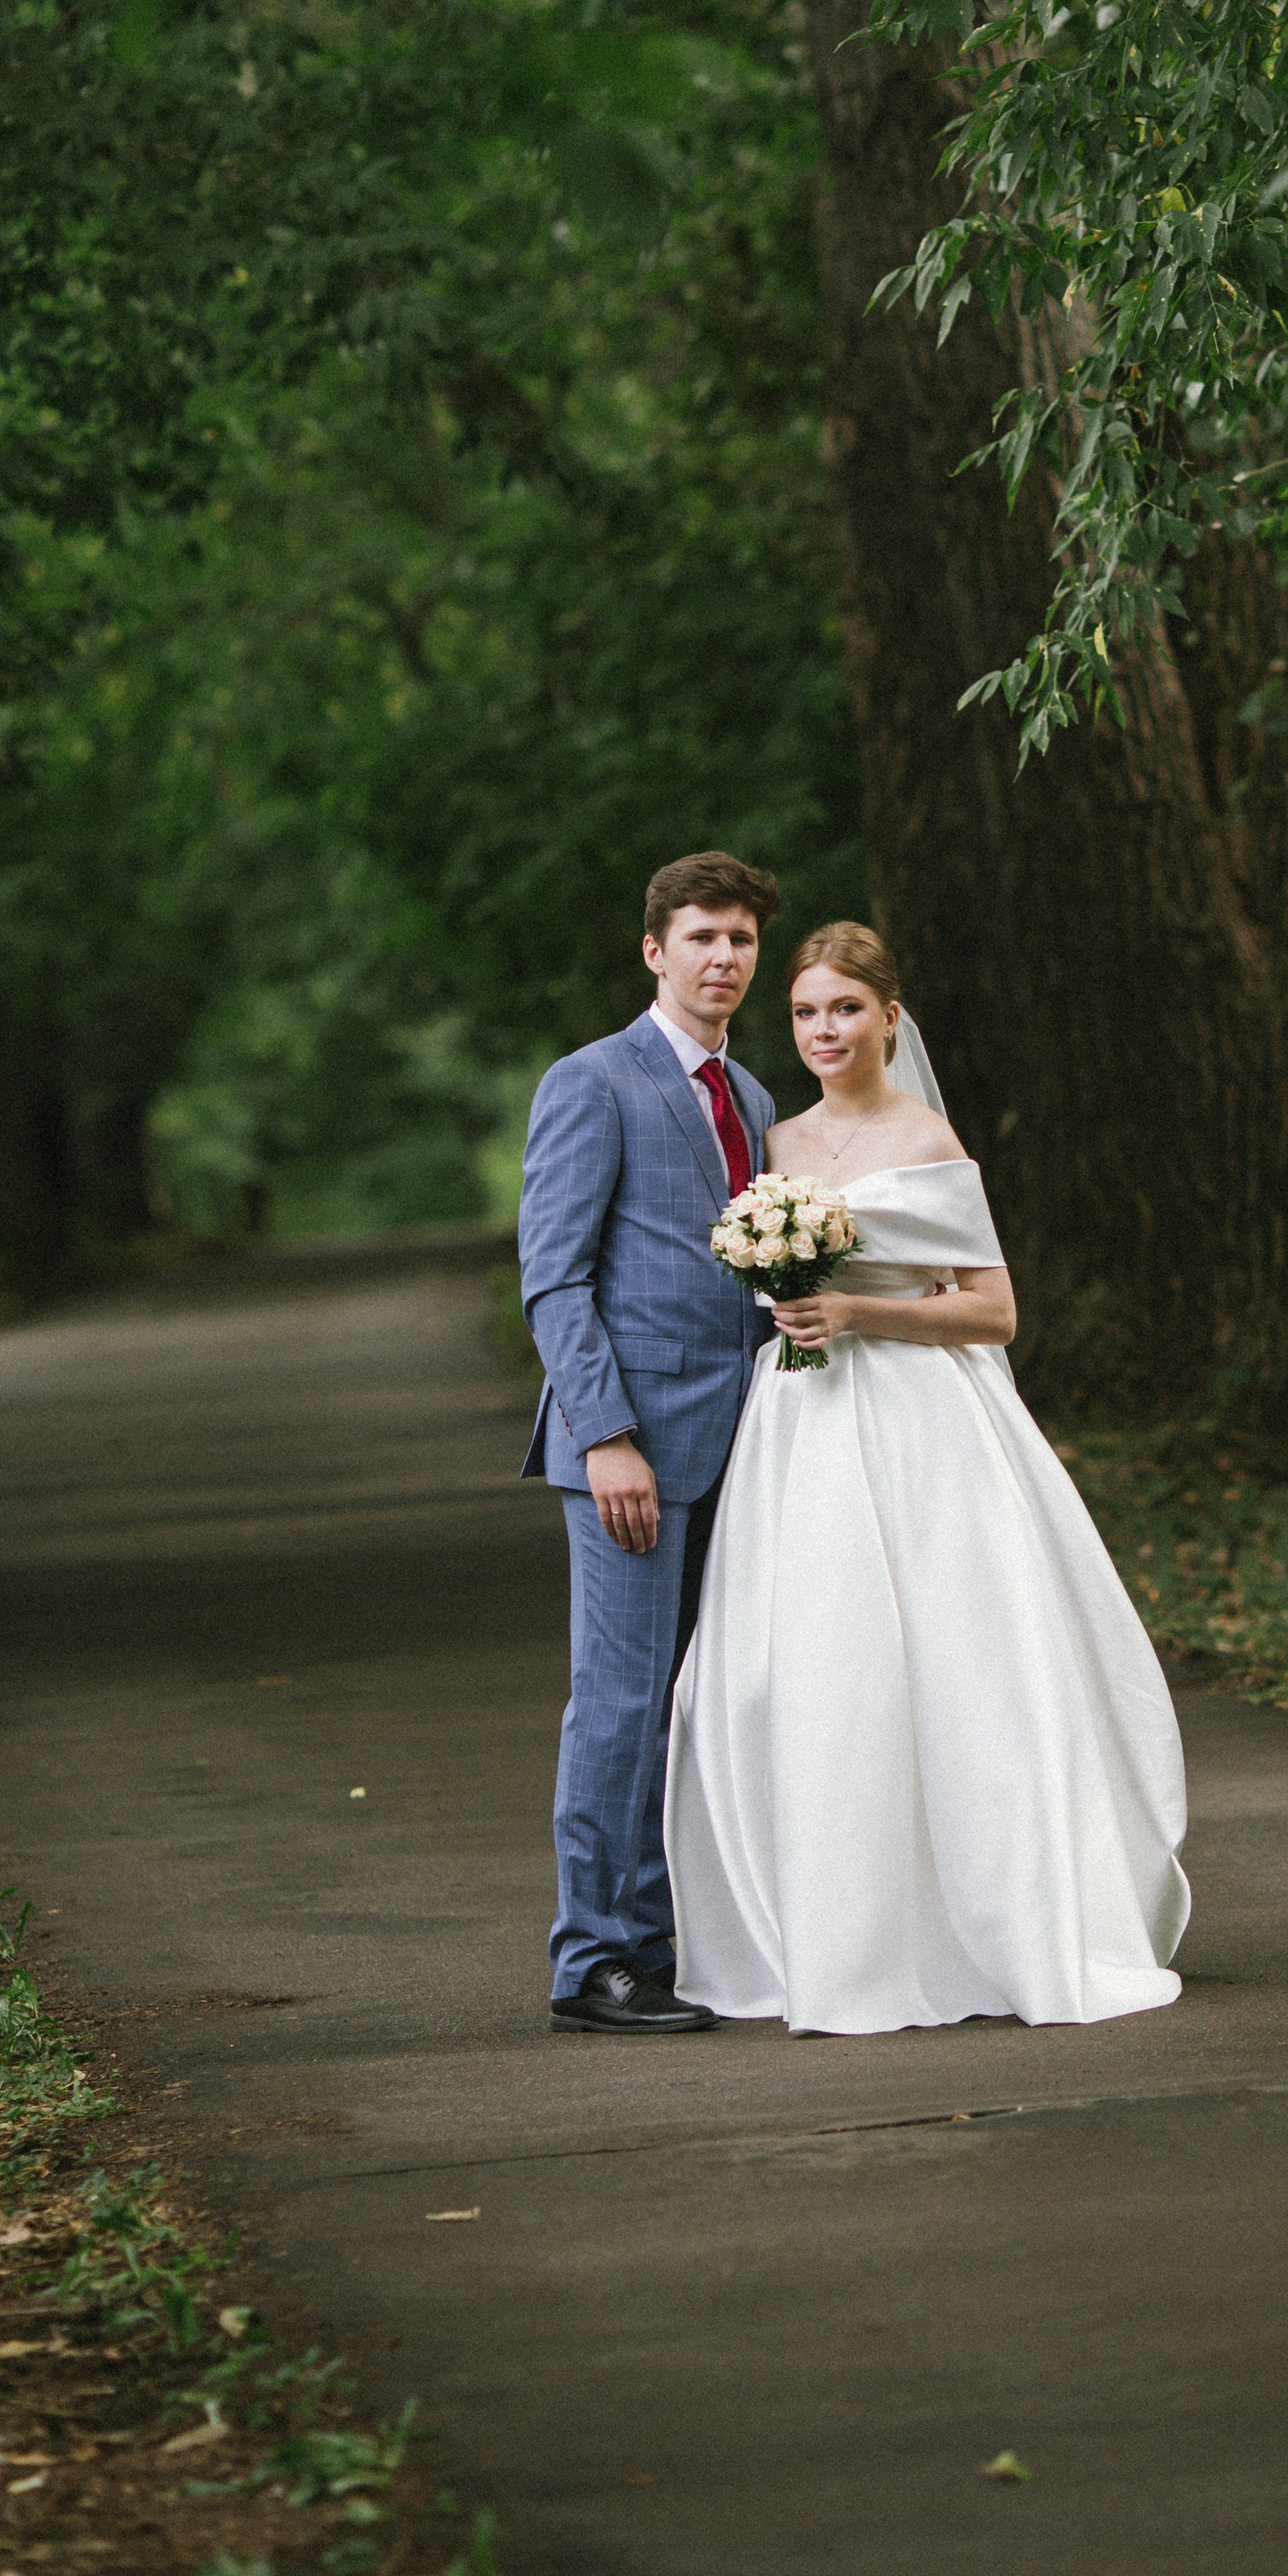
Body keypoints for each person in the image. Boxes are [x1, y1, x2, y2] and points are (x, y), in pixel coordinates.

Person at [665, 921, 1190, 2035]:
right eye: (805, 1012)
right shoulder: (776, 1140)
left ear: (889, 1018)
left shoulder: (925, 1135)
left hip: (921, 1426)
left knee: (960, 1665)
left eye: (845, 1009)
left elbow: (993, 1312)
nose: (823, 1030)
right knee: (815, 1671)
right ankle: (845, 1938)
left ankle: (994, 1925)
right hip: (800, 1426)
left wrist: (857, 1310)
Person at [518, 850, 781, 2035]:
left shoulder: (754, 1099)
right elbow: (554, 1277)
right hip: (629, 1451)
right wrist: (606, 1435)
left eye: (740, 940)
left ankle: (675, 1940)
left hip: (745, 1449)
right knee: (620, 1704)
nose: (722, 958)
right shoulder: (592, 1082)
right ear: (654, 951)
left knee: (707, 1703)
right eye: (701, 938)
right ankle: (597, 1961)